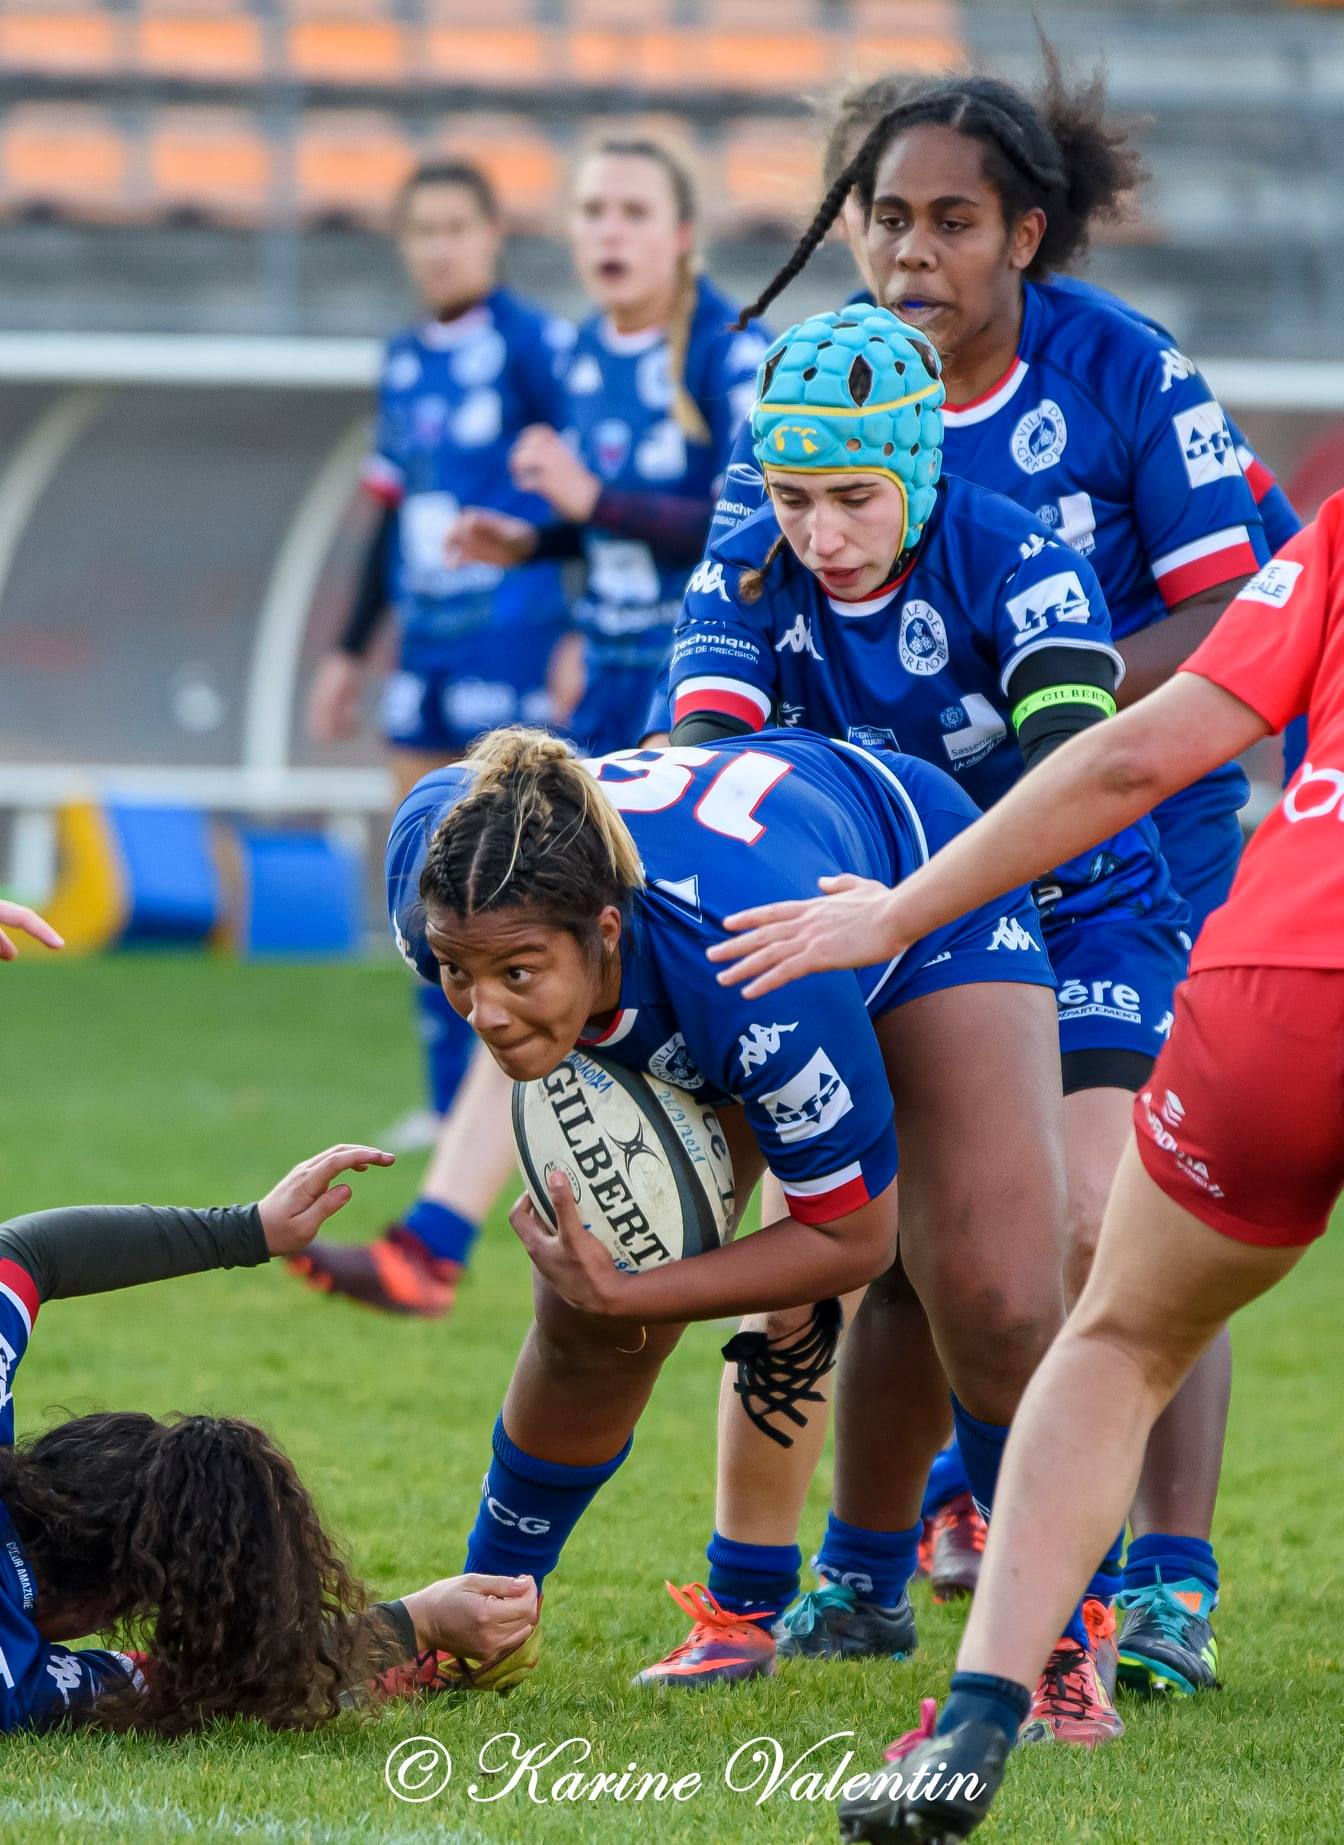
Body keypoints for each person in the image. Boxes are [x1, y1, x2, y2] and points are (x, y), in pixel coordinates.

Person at [685, 57, 1278, 1702]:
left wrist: (1059, 745)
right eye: (885, 219)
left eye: (950, 221)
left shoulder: (1117, 372)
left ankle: (1161, 1584)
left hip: (1107, 861)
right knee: (902, 1242)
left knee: (1122, 1221)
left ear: (1023, 235)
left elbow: (1238, 618)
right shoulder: (808, 416)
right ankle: (875, 1569)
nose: (911, 255)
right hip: (892, 892)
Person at [710, 504, 1344, 1839]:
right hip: (1228, 968)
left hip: (1274, 977)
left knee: (1111, 1337)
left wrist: (898, 905)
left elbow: (1136, 756)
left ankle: (981, 1719)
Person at [645, 306, 1183, 1738]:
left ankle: (1078, 1616)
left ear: (920, 475)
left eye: (852, 497)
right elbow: (702, 778)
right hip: (853, 929)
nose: (817, 532)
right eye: (793, 494)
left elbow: (1074, 785)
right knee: (825, 1258)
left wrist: (899, 903)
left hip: (1069, 915)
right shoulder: (746, 564)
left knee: (1041, 1255)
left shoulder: (1019, 551)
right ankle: (809, 1589)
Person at [385, 722, 1083, 1716]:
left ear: (605, 933)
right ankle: (476, 1614)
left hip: (909, 891)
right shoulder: (441, 883)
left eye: (519, 975)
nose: (486, 1012)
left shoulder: (746, 982)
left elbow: (853, 1238)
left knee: (992, 1295)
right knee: (591, 1325)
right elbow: (457, 809)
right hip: (720, 907)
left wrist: (635, 1285)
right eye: (462, 974)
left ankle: (1066, 1633)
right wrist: (614, 1298)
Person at [301, 138, 770, 1322]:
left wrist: (589, 505)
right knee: (527, 950)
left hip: (711, 707)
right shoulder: (576, 355)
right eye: (592, 210)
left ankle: (778, 1280)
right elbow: (592, 519)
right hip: (611, 696)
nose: (608, 231)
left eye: (633, 210)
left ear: (681, 234)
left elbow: (760, 522)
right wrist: (545, 540)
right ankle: (443, 1239)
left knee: (720, 995)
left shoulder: (726, 350)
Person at [0, 1119, 540, 1731]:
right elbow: (216, 1686)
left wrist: (248, 1230)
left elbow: (25, 1252)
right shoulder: (13, 1678)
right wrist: (416, 1623)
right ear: (103, 1603)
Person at [298, 157, 577, 1318]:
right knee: (417, 868)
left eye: (458, 227)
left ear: (493, 236)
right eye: (422, 231)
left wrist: (574, 632)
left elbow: (579, 504)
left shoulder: (534, 350)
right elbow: (384, 520)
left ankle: (510, 1086)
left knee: (502, 874)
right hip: (426, 649)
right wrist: (350, 651)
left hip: (513, 642)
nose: (440, 248)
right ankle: (438, 1088)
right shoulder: (406, 360)